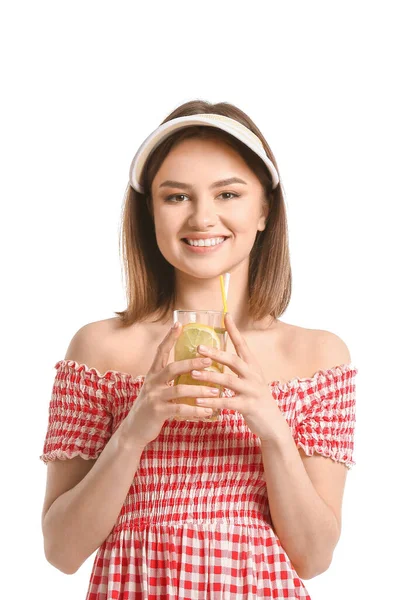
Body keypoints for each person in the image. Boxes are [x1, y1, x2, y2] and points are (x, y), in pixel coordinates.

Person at [39, 99, 358, 599]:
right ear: (150, 213)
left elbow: (313, 559)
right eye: (176, 197)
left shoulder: (316, 357)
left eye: (228, 193)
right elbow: (61, 551)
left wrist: (270, 425)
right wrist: (134, 429)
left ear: (264, 210)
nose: (203, 217)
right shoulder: (99, 348)